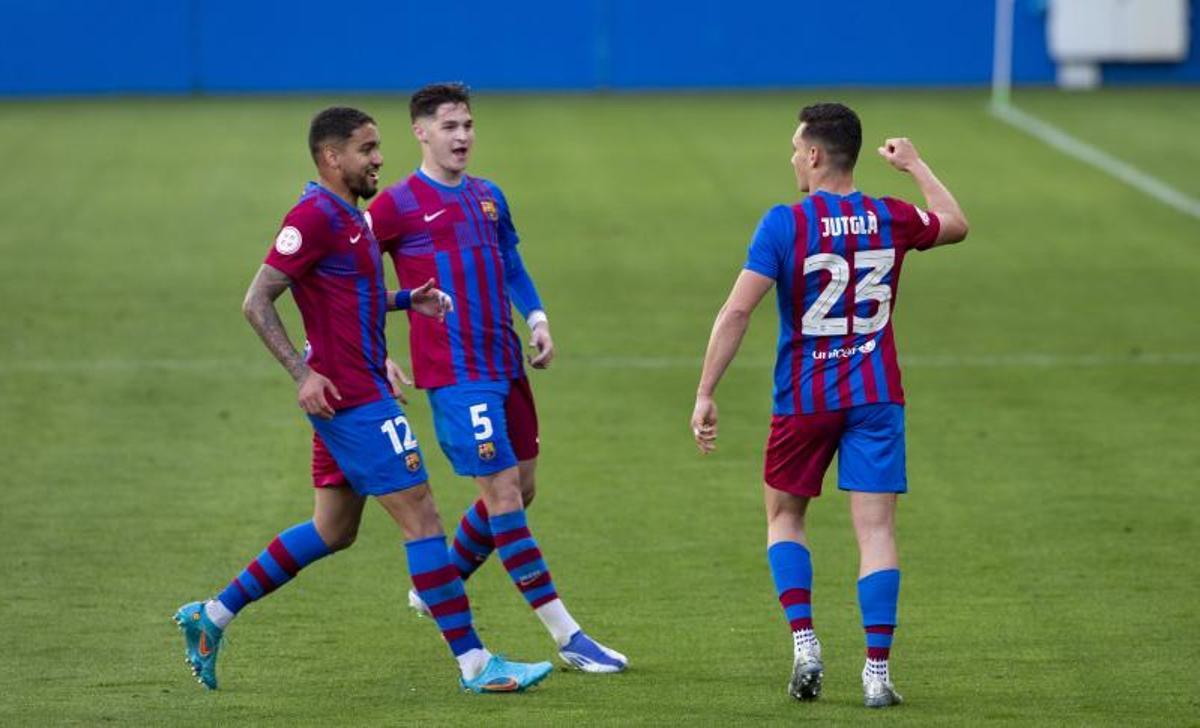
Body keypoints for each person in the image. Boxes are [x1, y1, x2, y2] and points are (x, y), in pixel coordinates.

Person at [174, 106, 553, 694]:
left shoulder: (351, 219)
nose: (379, 159)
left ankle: (212, 615)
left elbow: (351, 296)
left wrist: (406, 301)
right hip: (350, 400)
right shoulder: (313, 217)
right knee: (422, 515)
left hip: (359, 387)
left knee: (333, 529)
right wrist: (304, 373)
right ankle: (477, 664)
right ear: (332, 158)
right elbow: (257, 300)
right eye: (367, 149)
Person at [690, 103, 969, 708]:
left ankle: (806, 644)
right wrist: (916, 165)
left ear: (815, 155)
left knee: (785, 518)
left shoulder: (784, 224)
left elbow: (738, 310)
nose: (792, 157)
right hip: (875, 395)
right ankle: (876, 674)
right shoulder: (891, 217)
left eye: (796, 147)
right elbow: (955, 222)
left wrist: (707, 390)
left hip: (804, 399)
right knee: (876, 531)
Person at [364, 83, 627, 673]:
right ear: (421, 132)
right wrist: (378, 348)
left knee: (523, 487)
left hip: (505, 363)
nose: (462, 137)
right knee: (503, 496)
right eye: (450, 126)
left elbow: (509, 260)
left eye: (468, 125)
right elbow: (351, 284)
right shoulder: (396, 205)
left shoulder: (489, 196)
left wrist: (536, 317)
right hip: (455, 375)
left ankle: (440, 582)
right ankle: (568, 638)